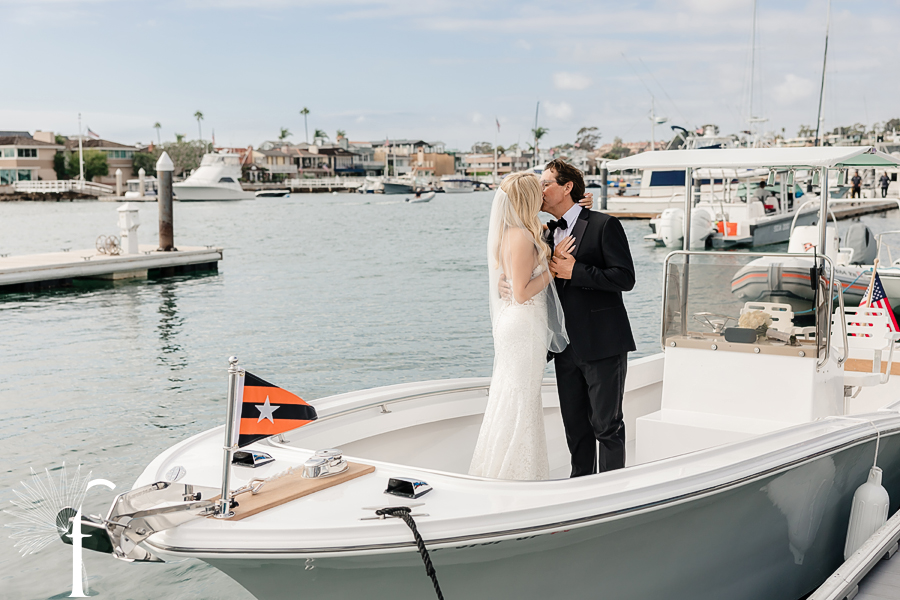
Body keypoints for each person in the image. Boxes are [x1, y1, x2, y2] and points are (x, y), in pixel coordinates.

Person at [468, 172, 568, 480]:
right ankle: (515, 474)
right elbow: (522, 293)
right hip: (524, 324)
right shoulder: (523, 237)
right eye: (538, 190)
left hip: (518, 323)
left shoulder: (513, 232)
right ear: (527, 198)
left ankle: (509, 469)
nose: (543, 194)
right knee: (521, 397)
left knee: (515, 394)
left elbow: (511, 280)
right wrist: (553, 270)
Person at [543, 159, 636, 476]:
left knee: (607, 426)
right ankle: (579, 487)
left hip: (602, 342)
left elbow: (625, 278)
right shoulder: (544, 234)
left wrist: (576, 271)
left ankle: (612, 491)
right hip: (563, 348)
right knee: (575, 428)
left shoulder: (604, 225)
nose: (540, 190)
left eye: (546, 184)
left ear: (567, 187)